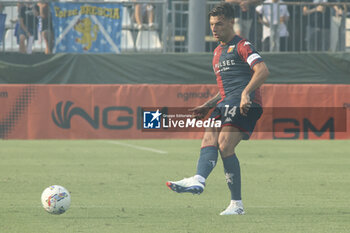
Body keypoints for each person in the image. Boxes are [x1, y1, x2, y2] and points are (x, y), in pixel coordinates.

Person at [166, 2, 269, 215]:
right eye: (212, 24)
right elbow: (225, 89)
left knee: (223, 143)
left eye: (219, 24)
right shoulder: (217, 53)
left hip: (245, 103)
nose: (214, 28)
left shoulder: (243, 45)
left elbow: (262, 71)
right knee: (215, 141)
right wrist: (208, 104)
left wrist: (245, 93)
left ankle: (211, 187)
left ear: (231, 22)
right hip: (227, 102)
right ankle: (221, 194)